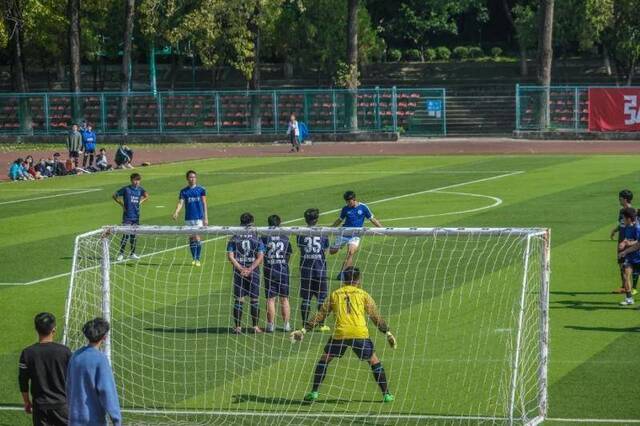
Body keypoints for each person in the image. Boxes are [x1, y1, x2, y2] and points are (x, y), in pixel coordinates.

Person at [290, 267, 396, 403]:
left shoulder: (335, 294)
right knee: (374, 361)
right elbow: (375, 316)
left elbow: (321, 314)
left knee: (325, 359)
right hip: (359, 333)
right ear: (358, 280)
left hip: (341, 333)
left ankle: (314, 392)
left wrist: (304, 330)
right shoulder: (363, 294)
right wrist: (387, 332)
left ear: (343, 280)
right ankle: (386, 394)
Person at [18, 312, 72, 426]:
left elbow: (23, 381)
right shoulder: (65, 352)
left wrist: (27, 402)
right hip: (62, 406)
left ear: (36, 329)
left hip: (40, 407)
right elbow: (73, 379)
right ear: (54, 329)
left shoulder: (27, 353)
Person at [66, 318, 121, 426]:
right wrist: (116, 419)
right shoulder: (100, 360)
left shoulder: (75, 356)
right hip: (93, 420)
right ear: (104, 337)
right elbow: (107, 392)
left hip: (74, 418)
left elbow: (68, 385)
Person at [227, 212, 265, 334]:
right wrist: (250, 269)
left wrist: (241, 269)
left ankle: (238, 327)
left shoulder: (235, 237)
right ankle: (255, 327)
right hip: (253, 272)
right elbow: (260, 257)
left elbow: (230, 256)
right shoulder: (256, 237)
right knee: (254, 299)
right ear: (252, 223)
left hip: (239, 273)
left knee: (239, 299)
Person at [330, 191, 382, 279]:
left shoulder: (363, 207)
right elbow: (339, 220)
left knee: (351, 252)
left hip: (355, 235)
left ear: (354, 199)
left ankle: (343, 274)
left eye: (349, 201)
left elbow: (372, 219)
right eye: (346, 202)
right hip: (344, 233)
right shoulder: (345, 209)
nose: (348, 203)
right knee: (332, 251)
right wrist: (330, 228)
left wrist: (382, 229)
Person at [297, 208, 331, 332]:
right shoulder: (323, 233)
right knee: (322, 298)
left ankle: (304, 324)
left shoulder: (301, 233)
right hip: (319, 270)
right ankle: (321, 325)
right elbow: (326, 250)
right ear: (317, 219)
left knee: (306, 298)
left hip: (306, 270)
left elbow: (301, 247)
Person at [261, 214, 292, 333]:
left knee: (270, 299)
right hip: (283, 270)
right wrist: (283, 262)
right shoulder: (284, 236)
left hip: (270, 270)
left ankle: (270, 326)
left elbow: (260, 253)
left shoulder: (264, 236)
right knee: (284, 298)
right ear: (280, 223)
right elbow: (288, 253)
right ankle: (286, 325)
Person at [172, 170, 208, 266]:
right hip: (188, 218)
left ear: (196, 178)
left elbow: (204, 203)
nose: (192, 179)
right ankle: (194, 259)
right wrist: (176, 212)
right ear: (187, 178)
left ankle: (198, 259)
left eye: (194, 177)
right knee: (191, 238)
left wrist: (205, 218)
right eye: (190, 177)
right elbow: (181, 203)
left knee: (197, 237)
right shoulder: (184, 191)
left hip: (198, 218)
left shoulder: (201, 189)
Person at [113, 173, 148, 262]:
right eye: (135, 180)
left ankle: (132, 253)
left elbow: (146, 196)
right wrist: (122, 205)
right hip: (127, 216)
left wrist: (140, 202)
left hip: (136, 216)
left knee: (134, 236)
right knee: (125, 235)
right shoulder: (126, 189)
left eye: (138, 180)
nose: (137, 182)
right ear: (131, 180)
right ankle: (121, 254)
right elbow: (114, 195)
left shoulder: (140, 190)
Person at [610, 190, 637, 295]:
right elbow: (621, 224)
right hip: (621, 241)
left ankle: (632, 288)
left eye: (620, 198)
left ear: (625, 199)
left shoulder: (632, 211)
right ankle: (624, 286)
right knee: (621, 263)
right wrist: (615, 230)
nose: (619, 200)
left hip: (628, 241)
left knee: (631, 264)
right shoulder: (621, 211)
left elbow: (634, 226)